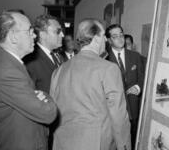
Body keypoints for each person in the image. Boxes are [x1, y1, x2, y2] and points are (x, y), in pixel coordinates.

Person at [50, 18, 131, 150]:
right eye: (104, 35)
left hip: (62, 143)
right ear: (96, 38)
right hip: (96, 144)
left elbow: (54, 112)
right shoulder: (108, 68)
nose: (106, 40)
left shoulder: (58, 71)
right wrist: (125, 146)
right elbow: (118, 116)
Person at [0, 11, 57, 150]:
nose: (34, 35)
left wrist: (37, 96)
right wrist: (46, 96)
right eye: (29, 31)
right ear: (13, 37)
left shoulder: (8, 62)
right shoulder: (7, 71)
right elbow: (47, 113)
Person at [105, 24, 145, 150]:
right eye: (115, 36)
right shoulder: (104, 59)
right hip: (113, 112)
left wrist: (138, 88)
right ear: (109, 40)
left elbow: (143, 77)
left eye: (121, 34)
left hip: (133, 109)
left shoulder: (135, 56)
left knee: (131, 141)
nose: (120, 38)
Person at [24, 14, 64, 94]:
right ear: (42, 35)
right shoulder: (31, 61)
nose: (62, 35)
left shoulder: (58, 56)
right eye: (58, 32)